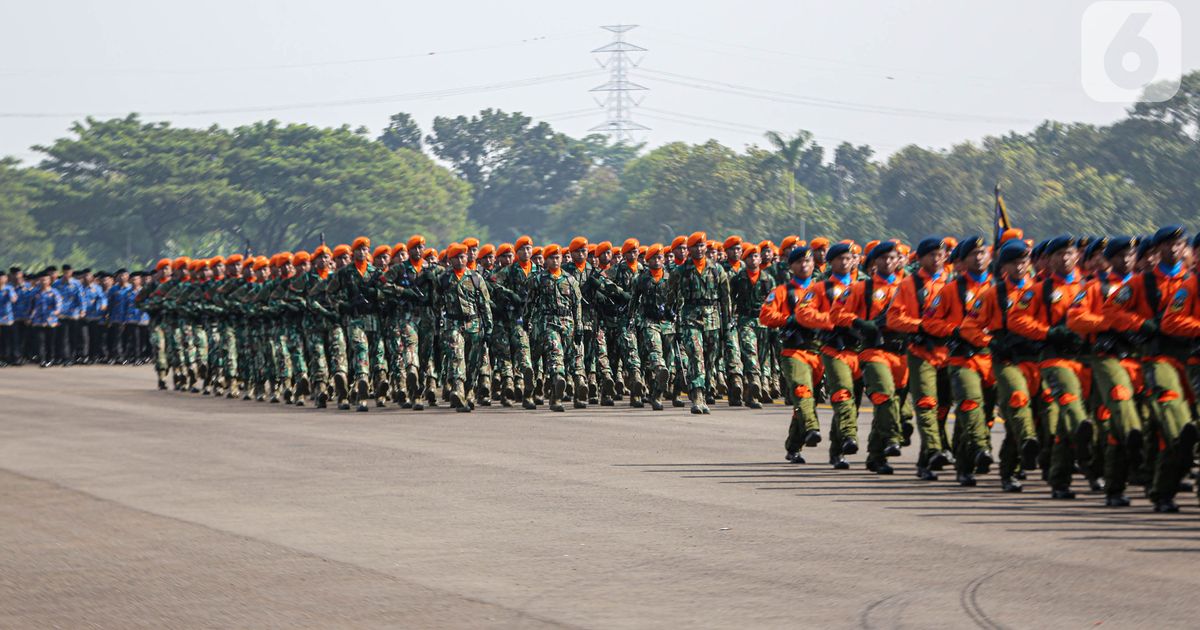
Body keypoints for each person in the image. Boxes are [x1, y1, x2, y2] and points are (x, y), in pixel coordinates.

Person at [759, 245, 835, 463]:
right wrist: (788, 319)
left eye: (808, 261)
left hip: (818, 351)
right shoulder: (782, 292)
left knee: (806, 399)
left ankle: (794, 446)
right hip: (794, 350)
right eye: (799, 262)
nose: (804, 265)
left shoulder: (823, 290)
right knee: (802, 392)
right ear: (791, 266)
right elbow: (765, 315)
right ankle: (812, 428)